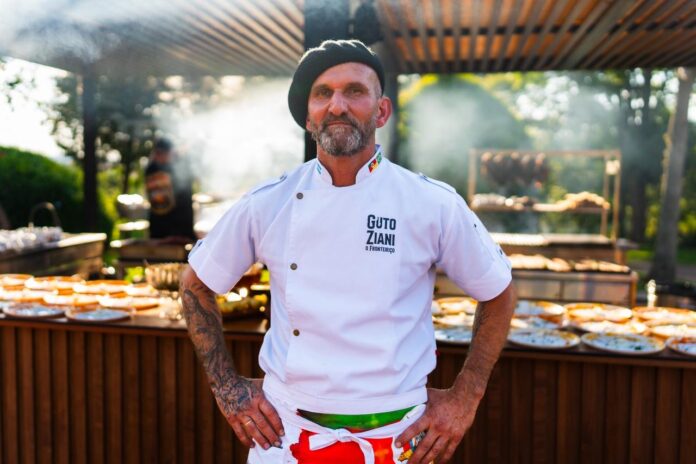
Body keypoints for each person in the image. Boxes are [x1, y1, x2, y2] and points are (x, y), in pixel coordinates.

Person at [180, 39, 516, 464]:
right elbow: (194, 285)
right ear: (308, 117)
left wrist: (465, 399)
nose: (337, 105)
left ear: (382, 111)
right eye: (323, 93)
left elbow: (499, 292)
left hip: (398, 438)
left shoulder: (432, 203)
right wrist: (228, 390)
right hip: (285, 435)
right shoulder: (268, 203)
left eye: (355, 91)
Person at [144, 138, 195, 241]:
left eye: (161, 153)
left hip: (180, 230)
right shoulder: (152, 169)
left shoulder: (180, 167)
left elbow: (185, 201)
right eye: (157, 153)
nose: (158, 156)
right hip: (159, 230)